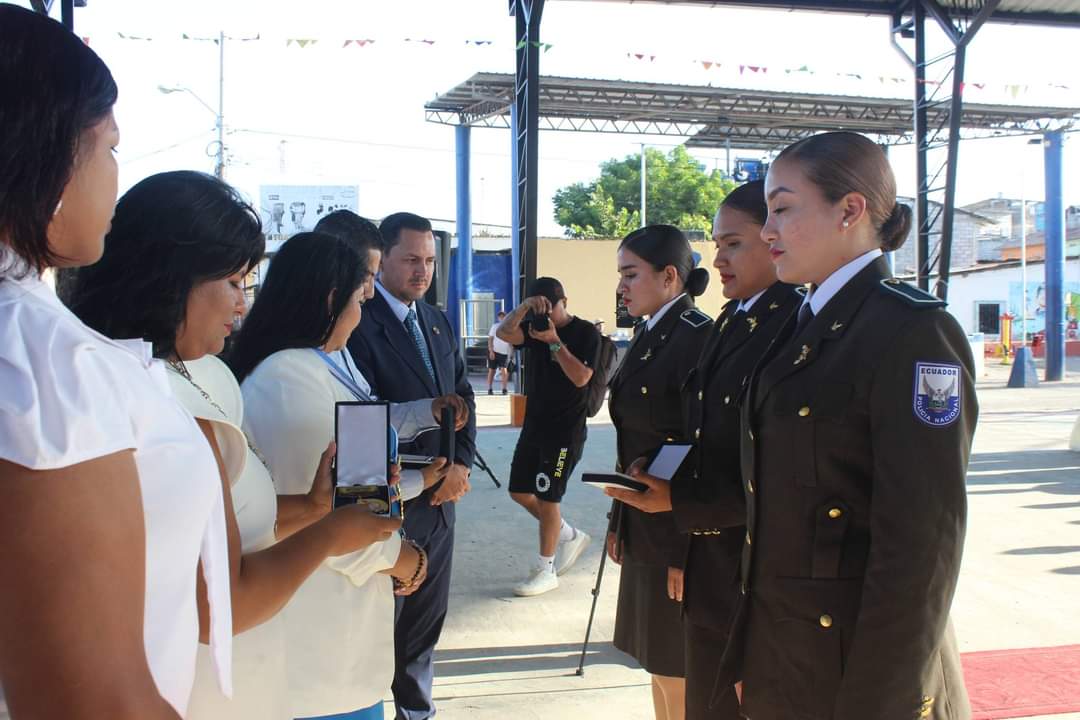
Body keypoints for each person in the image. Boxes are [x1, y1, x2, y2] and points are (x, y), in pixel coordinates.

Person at [69, 172, 406, 719]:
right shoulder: (135, 398)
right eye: (231, 282)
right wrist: (330, 534)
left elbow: (235, 525)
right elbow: (220, 603)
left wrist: (313, 506)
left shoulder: (207, 373)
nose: (242, 304)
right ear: (171, 277)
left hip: (254, 683)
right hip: (191, 692)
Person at [0, 7, 227, 718]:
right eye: (109, 148)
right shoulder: (43, 359)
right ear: (46, 154)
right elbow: (99, 702)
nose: (115, 179)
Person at [740, 131, 976, 719]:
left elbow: (923, 546)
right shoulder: (801, 321)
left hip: (860, 675)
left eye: (782, 209)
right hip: (788, 657)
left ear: (849, 210)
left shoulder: (913, 333)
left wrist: (882, 699)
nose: (767, 231)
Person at [230, 231, 466, 720]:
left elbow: (356, 480)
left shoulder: (324, 362)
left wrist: (417, 478)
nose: (364, 310)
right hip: (317, 647)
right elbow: (337, 514)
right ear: (331, 300)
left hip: (342, 639)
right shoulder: (288, 380)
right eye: (361, 298)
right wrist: (404, 561)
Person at [607, 182, 802, 719]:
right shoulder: (729, 321)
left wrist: (684, 546)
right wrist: (622, 520)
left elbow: (736, 459)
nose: (718, 260)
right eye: (717, 245)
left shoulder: (777, 325)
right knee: (667, 669)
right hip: (666, 520)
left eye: (733, 244)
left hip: (706, 536)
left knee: (688, 677)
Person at [347, 212, 477, 720]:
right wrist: (427, 476)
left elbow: (462, 397)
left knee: (424, 626)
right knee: (383, 624)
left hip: (443, 500)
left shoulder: (437, 321)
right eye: (410, 260)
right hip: (390, 498)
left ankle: (417, 712)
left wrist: (459, 465)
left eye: (429, 261)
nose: (422, 271)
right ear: (381, 261)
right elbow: (362, 420)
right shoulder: (359, 321)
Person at [604, 225, 712, 720]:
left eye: (631, 275)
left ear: (670, 276)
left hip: (676, 531)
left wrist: (684, 551)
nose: (621, 287)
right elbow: (635, 443)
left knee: (679, 669)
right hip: (644, 523)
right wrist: (619, 522)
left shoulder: (696, 338)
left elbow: (698, 448)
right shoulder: (650, 332)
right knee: (658, 663)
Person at [496, 276, 598, 597]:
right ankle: (568, 534)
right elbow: (503, 334)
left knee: (548, 497)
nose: (547, 314)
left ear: (564, 301)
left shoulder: (585, 332)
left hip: (565, 430)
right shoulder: (533, 328)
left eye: (550, 307)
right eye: (540, 308)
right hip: (535, 424)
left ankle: (546, 569)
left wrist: (554, 341)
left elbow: (581, 378)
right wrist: (524, 309)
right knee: (518, 490)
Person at [487, 310, 512, 394]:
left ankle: (504, 389)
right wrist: (491, 351)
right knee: (492, 370)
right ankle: (489, 388)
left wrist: (511, 353)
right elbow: (490, 339)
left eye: (503, 316)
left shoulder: (509, 327)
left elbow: (511, 341)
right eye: (500, 316)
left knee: (504, 369)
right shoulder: (495, 326)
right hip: (494, 351)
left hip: (504, 352)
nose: (502, 318)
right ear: (498, 318)